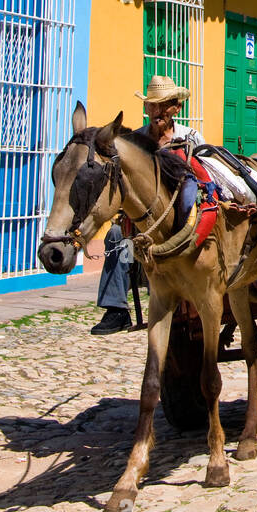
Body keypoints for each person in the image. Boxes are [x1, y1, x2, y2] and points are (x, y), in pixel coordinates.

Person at [91, 75, 201, 335]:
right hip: (141, 223)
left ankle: (174, 301)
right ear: (146, 109)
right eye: (152, 105)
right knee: (117, 235)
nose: (157, 111)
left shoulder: (191, 138)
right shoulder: (135, 142)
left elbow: (203, 180)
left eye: (164, 105)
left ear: (177, 108)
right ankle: (116, 310)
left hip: (179, 222)